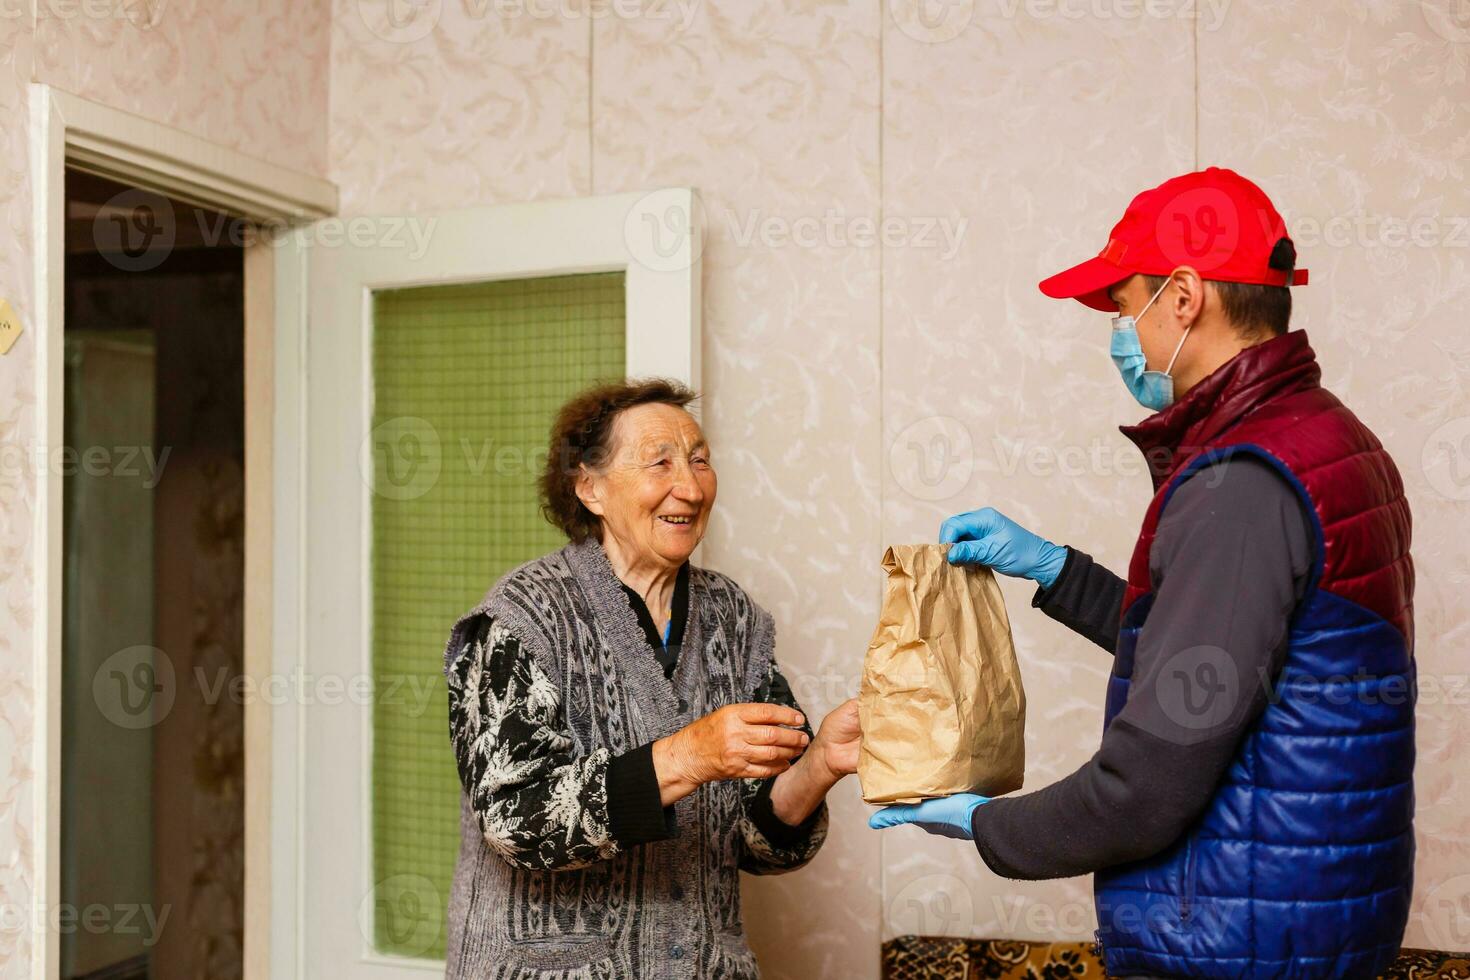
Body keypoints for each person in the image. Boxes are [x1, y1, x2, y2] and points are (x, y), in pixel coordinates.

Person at [870, 168, 1415, 978]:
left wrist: (988, 825)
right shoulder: (1330, 442)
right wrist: (1058, 570)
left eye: (1125, 307)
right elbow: (1228, 653)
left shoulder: (1243, 481)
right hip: (1306, 922)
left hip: (1236, 946)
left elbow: (1144, 790)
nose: (1120, 334)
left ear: (1185, 297)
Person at [441, 378, 861, 979]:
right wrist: (690, 756)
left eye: (699, 460)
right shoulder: (522, 619)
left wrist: (819, 763)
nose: (689, 487)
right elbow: (514, 818)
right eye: (659, 463)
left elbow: (754, 841)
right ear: (589, 487)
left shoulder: (734, 619)